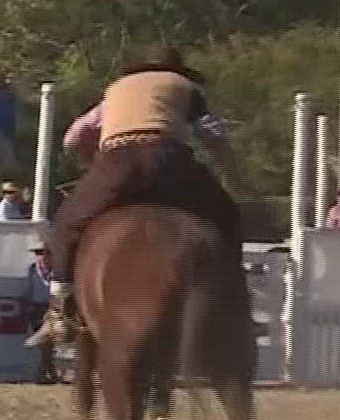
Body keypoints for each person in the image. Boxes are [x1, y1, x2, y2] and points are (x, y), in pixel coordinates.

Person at [28, 44, 249, 348]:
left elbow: (74, 137)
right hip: (169, 160)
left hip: (116, 162)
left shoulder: (116, 90)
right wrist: (233, 177)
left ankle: (59, 310)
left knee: (67, 224)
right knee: (226, 215)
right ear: (179, 70)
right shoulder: (185, 87)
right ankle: (232, 305)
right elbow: (213, 135)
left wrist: (92, 166)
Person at [22, 246, 61, 383]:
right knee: (44, 343)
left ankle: (44, 372)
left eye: (46, 253)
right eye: (39, 253)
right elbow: (28, 288)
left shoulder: (57, 271)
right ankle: (49, 372)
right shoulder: (32, 269)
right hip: (35, 308)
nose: (42, 256)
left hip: (51, 308)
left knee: (47, 341)